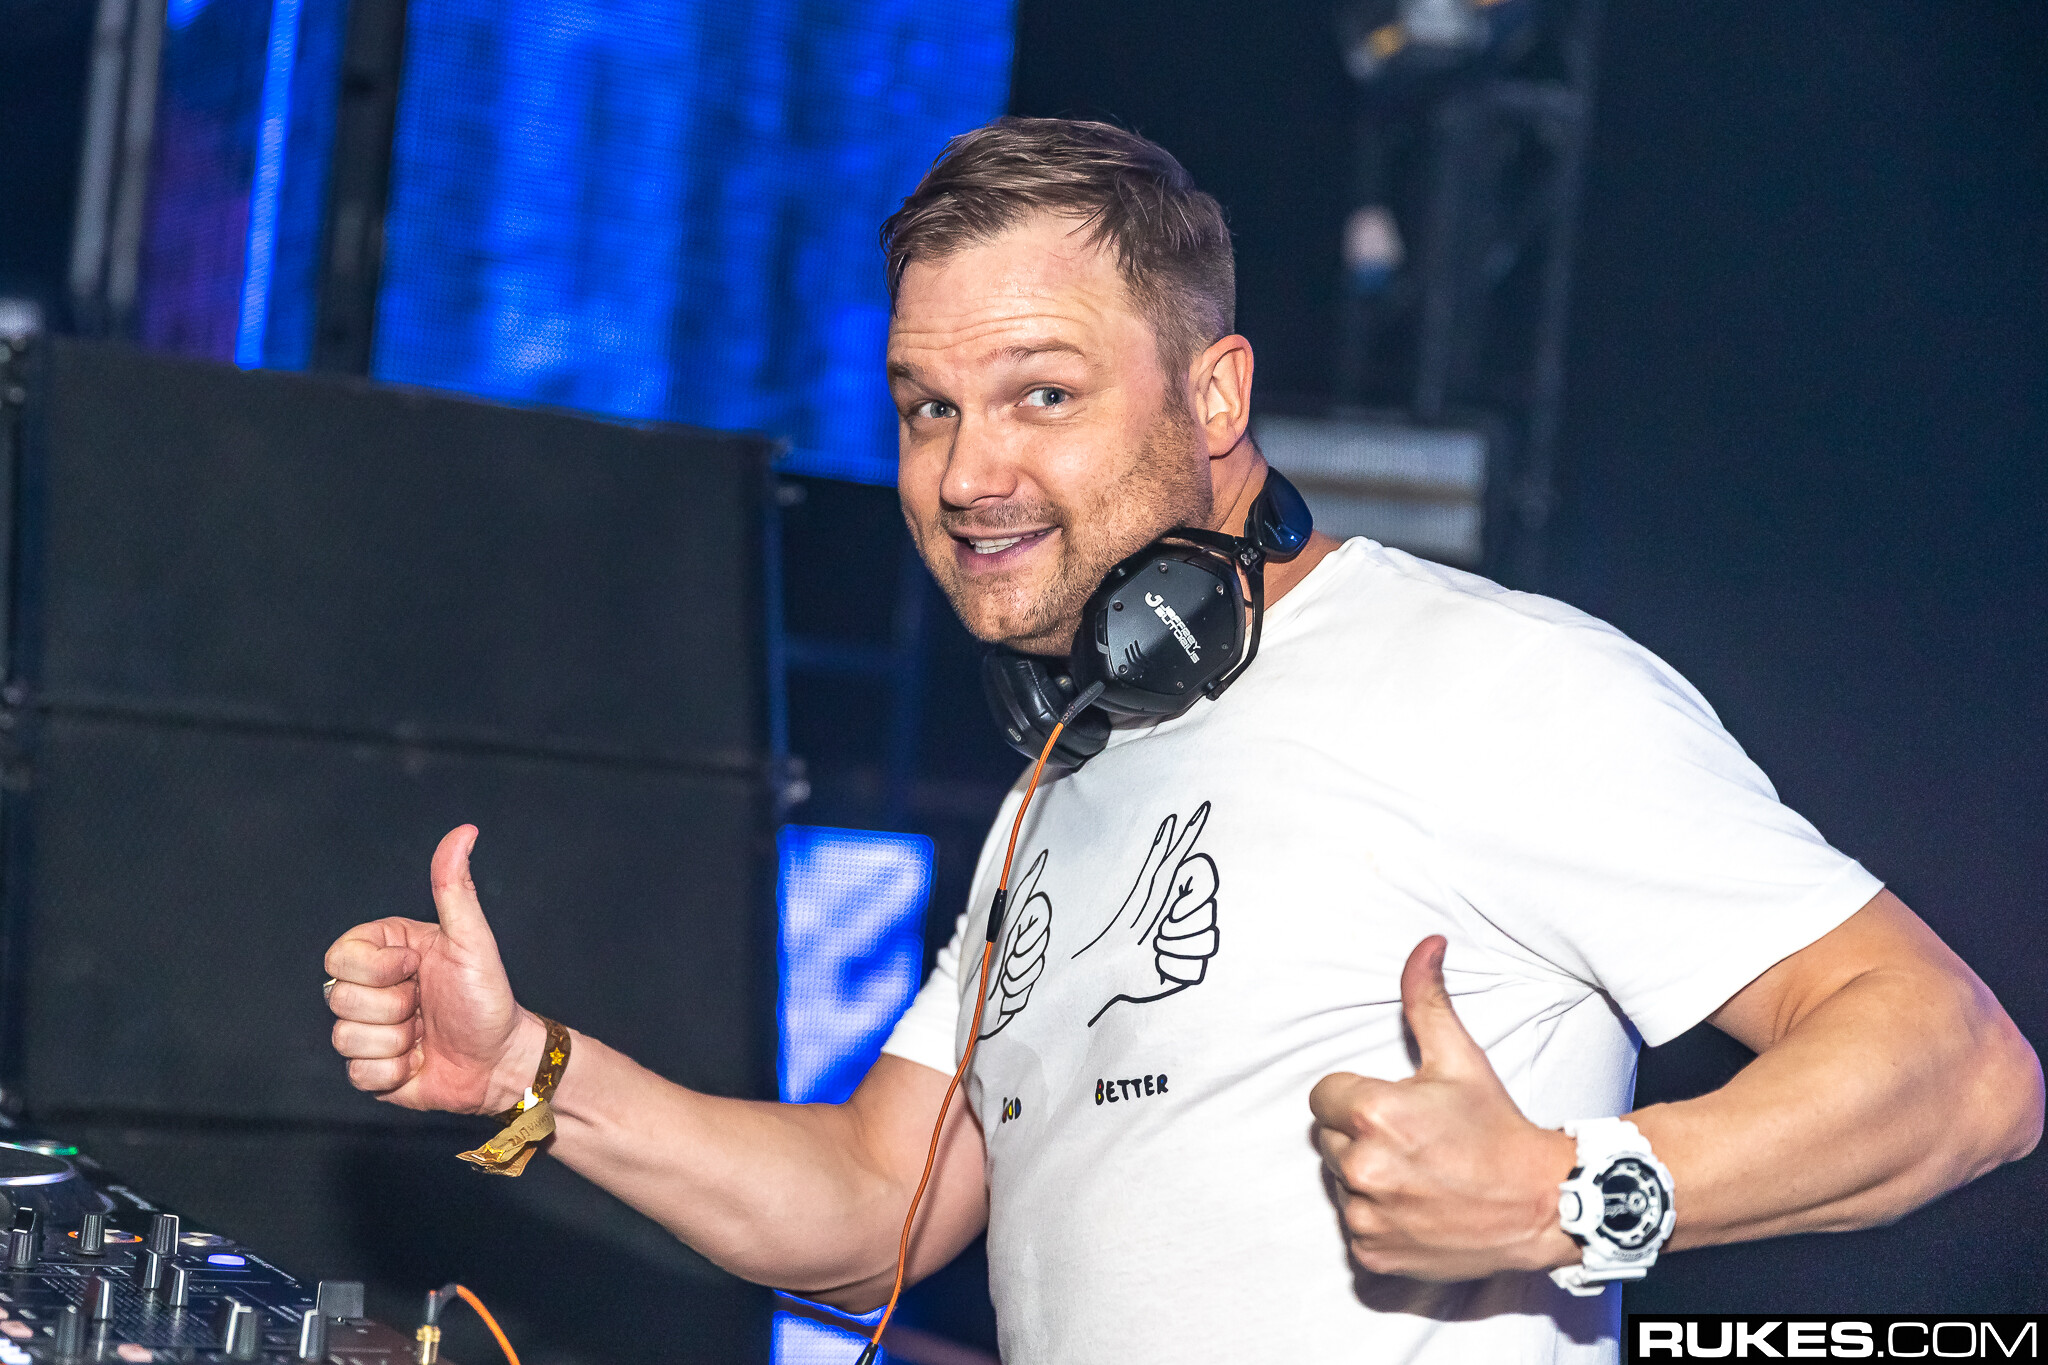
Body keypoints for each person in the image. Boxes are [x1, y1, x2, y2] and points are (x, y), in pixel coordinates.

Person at [322, 119, 2042, 1363]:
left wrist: (1566, 1193)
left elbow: (1960, 1067)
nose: (967, 473)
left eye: (1042, 393)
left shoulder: (1490, 681)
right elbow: (875, 1205)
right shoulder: (1061, 773)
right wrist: (531, 1075)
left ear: (1216, 395)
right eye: (929, 407)